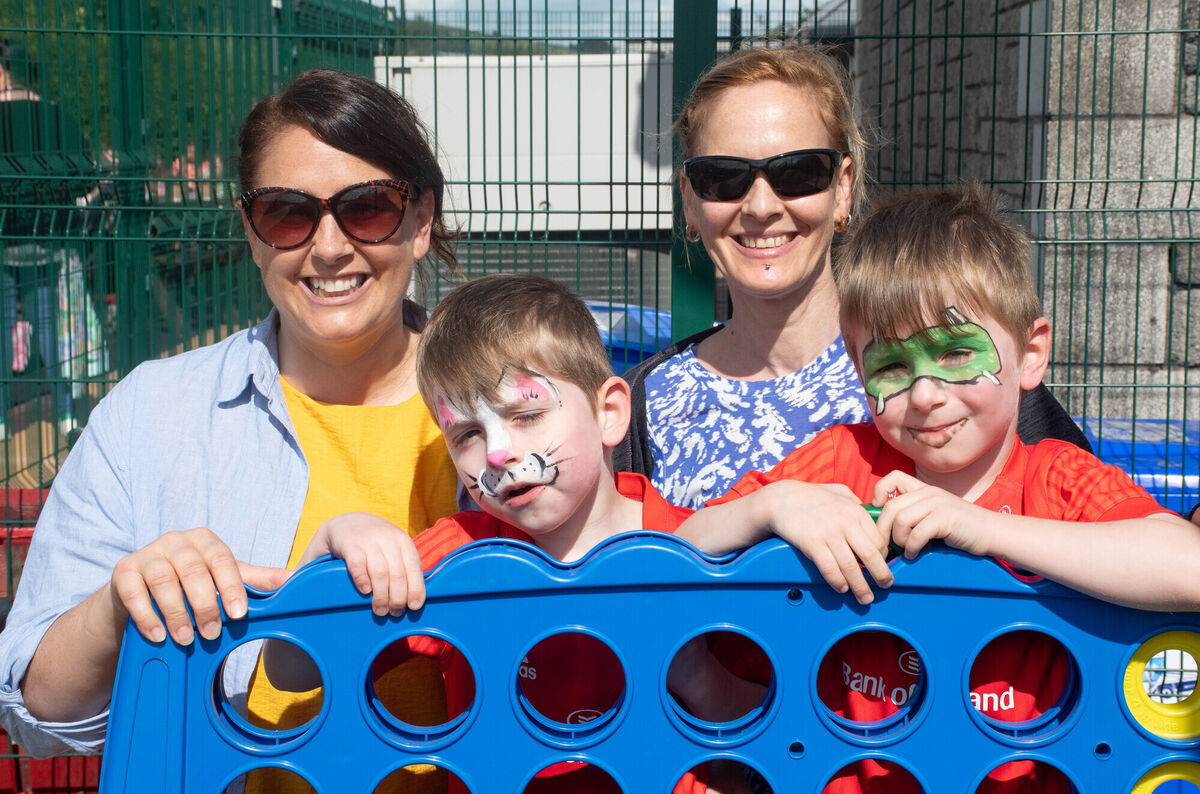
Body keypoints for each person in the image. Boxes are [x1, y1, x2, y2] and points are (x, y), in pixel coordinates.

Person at [676, 182, 1200, 793]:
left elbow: (1187, 565)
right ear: (857, 366)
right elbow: (682, 550)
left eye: (956, 354)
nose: (924, 395)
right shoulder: (842, 461)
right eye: (893, 366)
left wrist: (982, 528)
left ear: (1031, 354)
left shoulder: (1055, 478)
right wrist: (774, 505)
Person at [0, 67, 462, 758]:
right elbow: (39, 717)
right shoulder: (152, 416)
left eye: (367, 207)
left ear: (421, 222)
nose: (330, 246)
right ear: (251, 232)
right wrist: (120, 606)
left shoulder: (520, 410)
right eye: (289, 213)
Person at [269, 273, 769, 793]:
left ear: (610, 413)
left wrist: (688, 670)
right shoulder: (460, 556)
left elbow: (766, 735)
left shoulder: (694, 545)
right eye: (467, 434)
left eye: (527, 414)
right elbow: (293, 671)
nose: (496, 452)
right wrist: (332, 541)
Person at [614, 42, 1090, 510]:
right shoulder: (646, 401)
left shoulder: (955, 368)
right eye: (723, 178)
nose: (760, 207)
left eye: (797, 172)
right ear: (690, 201)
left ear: (842, 189)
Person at [0, 38, 94, 438]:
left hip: (4, 235)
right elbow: (83, 174)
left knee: (3, 325)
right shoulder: (57, 116)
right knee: (49, 324)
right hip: (47, 236)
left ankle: (2, 417)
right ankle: (64, 411)